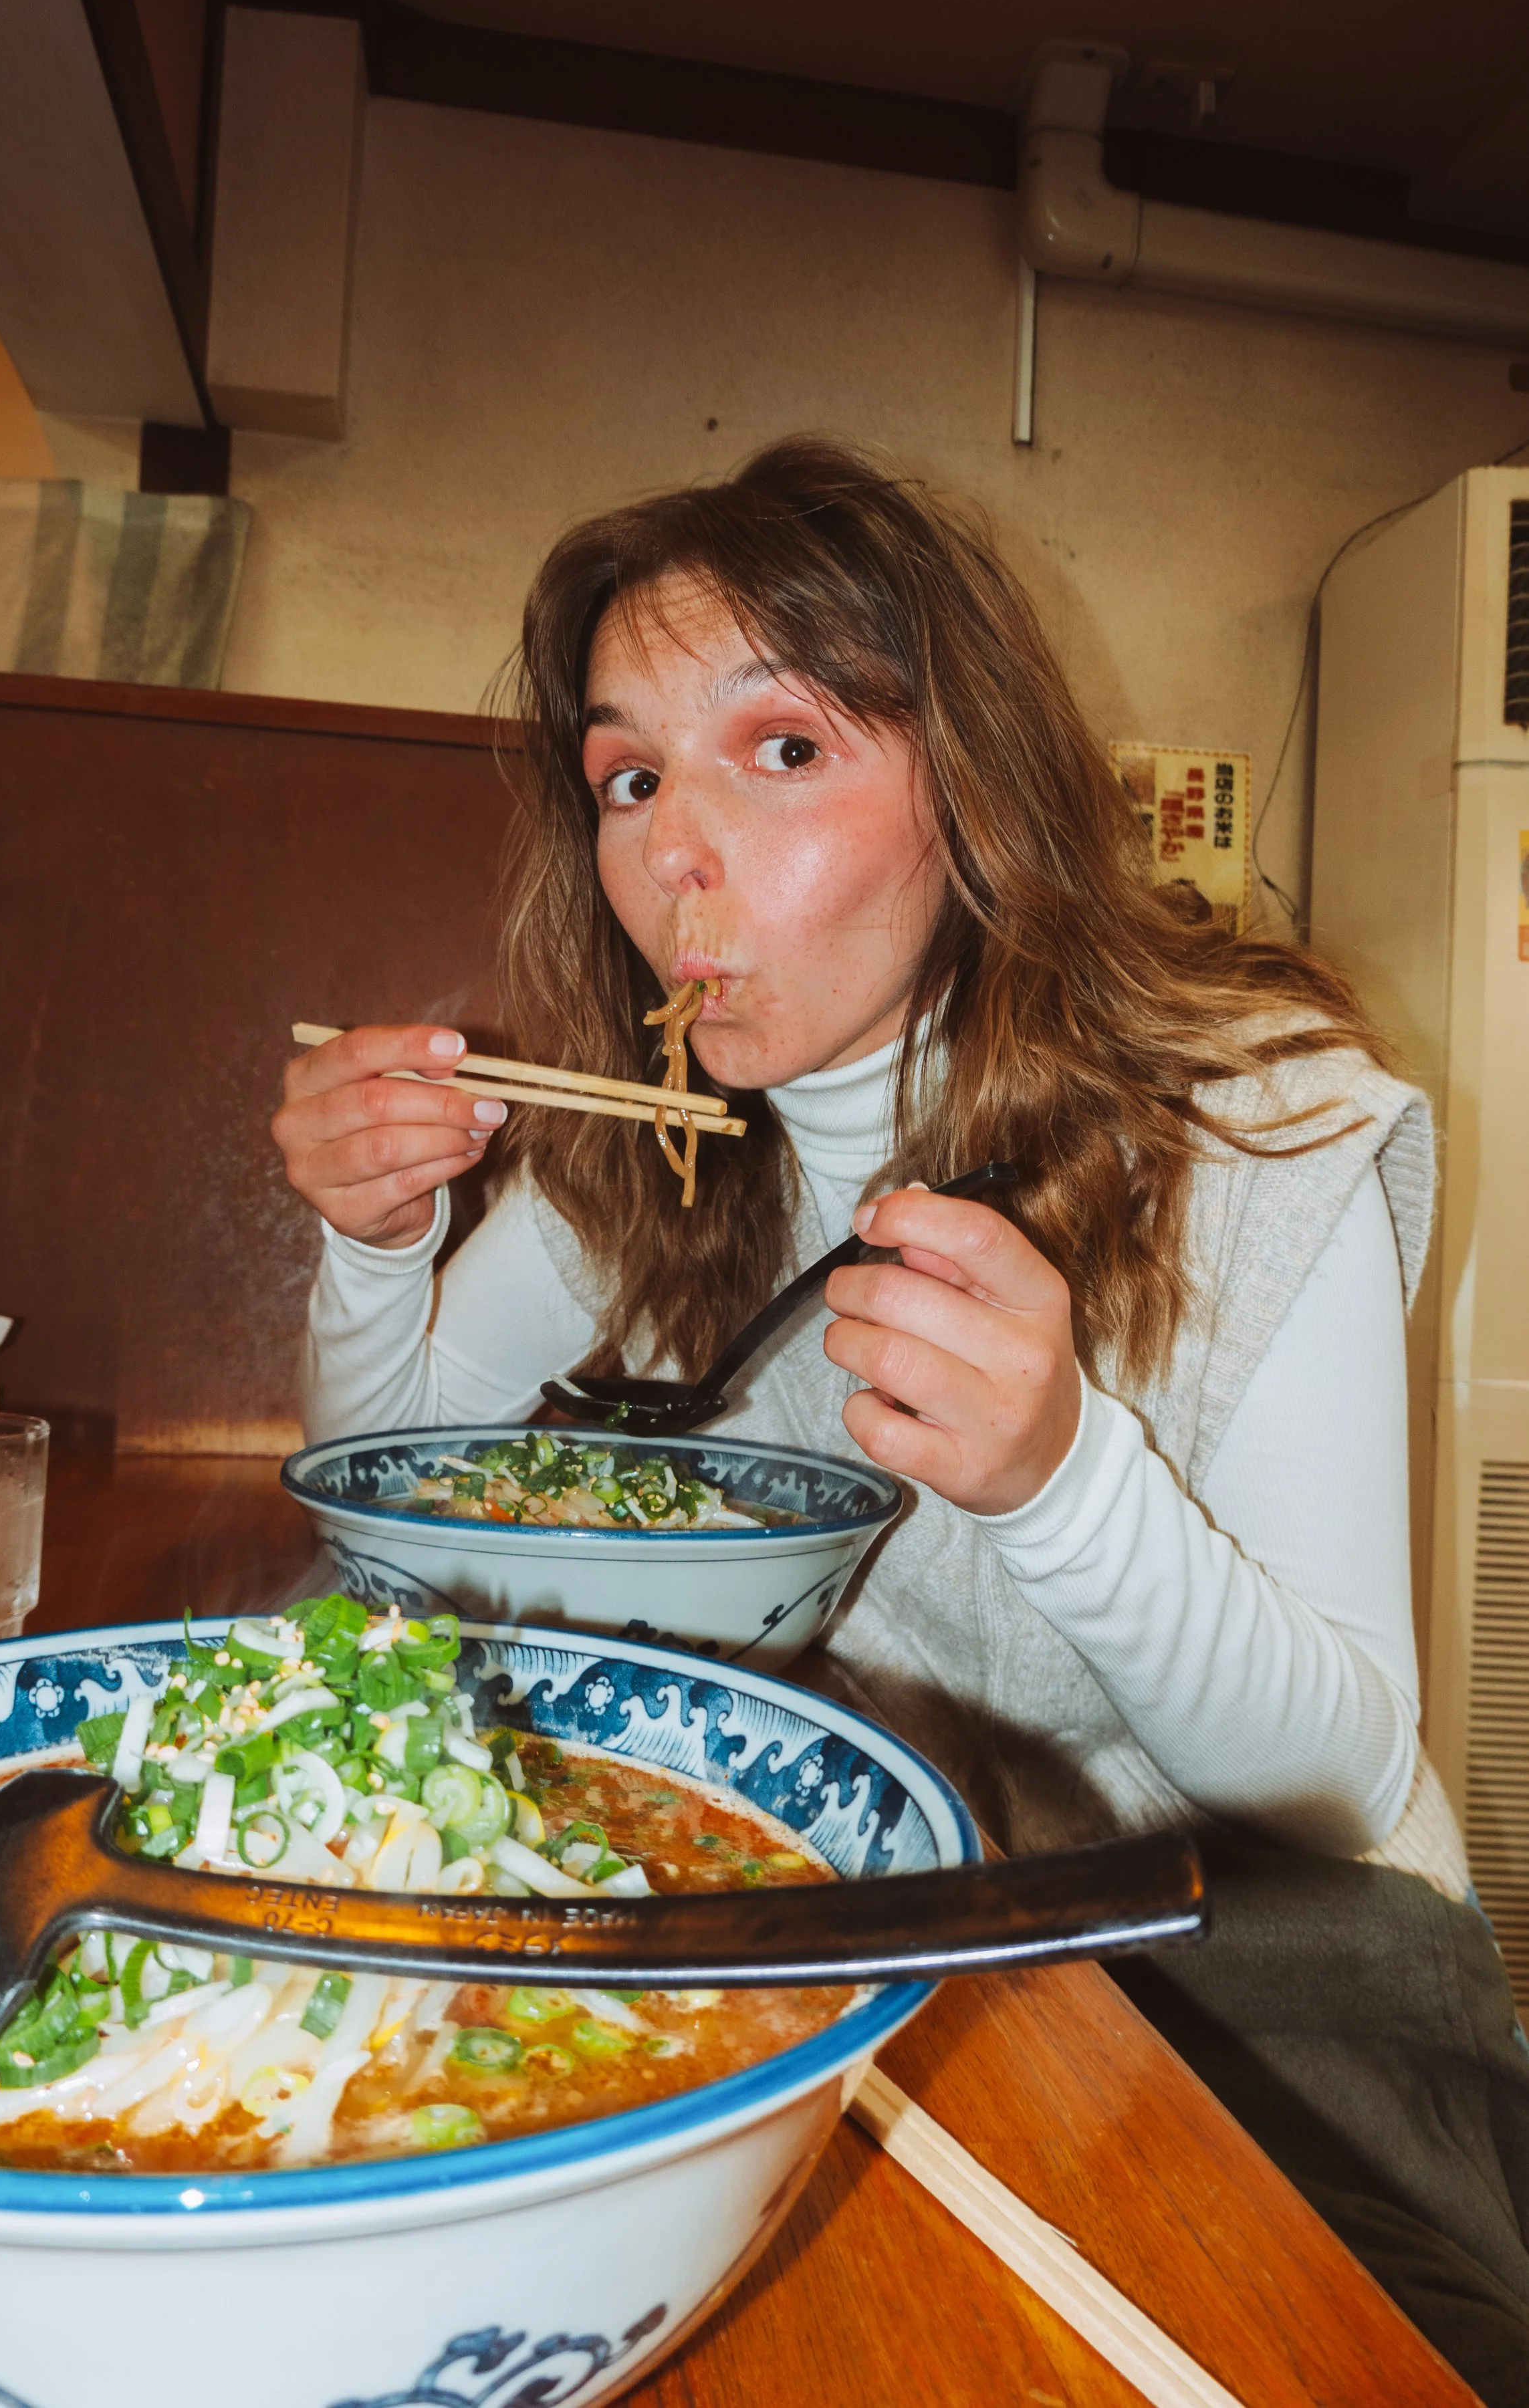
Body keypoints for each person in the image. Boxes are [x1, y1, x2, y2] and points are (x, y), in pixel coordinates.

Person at [273, 438, 1529, 2401]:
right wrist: (373, 1245)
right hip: (881, 1939)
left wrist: (1062, 1482)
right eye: (627, 776)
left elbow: (1337, 1781)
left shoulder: (1254, 1116)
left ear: (970, 785)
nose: (672, 850)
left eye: (777, 748)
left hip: (1266, 1993)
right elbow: (403, 1535)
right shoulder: (652, 1141)